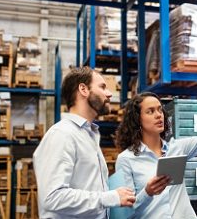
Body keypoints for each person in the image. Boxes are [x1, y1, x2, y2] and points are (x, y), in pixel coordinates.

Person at [33, 67, 136, 219]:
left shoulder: (88, 135)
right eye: (102, 87)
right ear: (83, 89)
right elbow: (52, 197)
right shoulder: (62, 134)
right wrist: (110, 198)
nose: (109, 94)